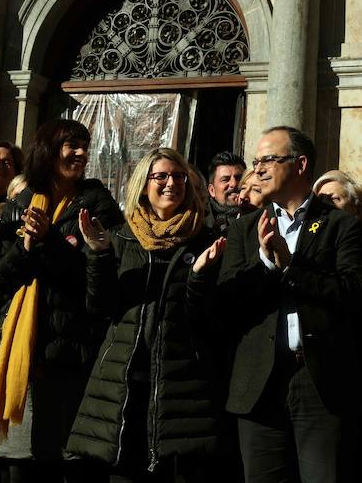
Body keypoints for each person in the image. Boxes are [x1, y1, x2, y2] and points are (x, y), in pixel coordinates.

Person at [67, 147, 232, 481]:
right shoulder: (120, 238)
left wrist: (199, 277)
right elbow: (100, 308)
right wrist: (98, 255)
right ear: (144, 184)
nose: (172, 183)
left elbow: (211, 321)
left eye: (179, 176)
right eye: (162, 176)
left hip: (182, 387)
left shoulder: (206, 240)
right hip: (124, 383)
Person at [217, 126, 362, 483]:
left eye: (269, 159)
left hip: (318, 381)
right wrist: (268, 264)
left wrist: (292, 266)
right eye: (256, 162)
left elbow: (354, 292)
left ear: (300, 164)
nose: (259, 170)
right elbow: (227, 301)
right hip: (258, 384)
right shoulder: (244, 229)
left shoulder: (339, 225)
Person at [0, 119, 123, 482]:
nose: (80, 153)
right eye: (71, 145)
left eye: (83, 146)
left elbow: (100, 284)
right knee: (18, 466)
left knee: (60, 463)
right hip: (17, 352)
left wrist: (51, 241)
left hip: (68, 353)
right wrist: (25, 247)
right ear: (47, 150)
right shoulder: (19, 205)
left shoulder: (98, 206)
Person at [205, 151, 246, 235]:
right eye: (225, 180)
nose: (233, 184)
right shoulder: (202, 222)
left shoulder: (259, 216)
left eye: (239, 178)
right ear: (212, 190)